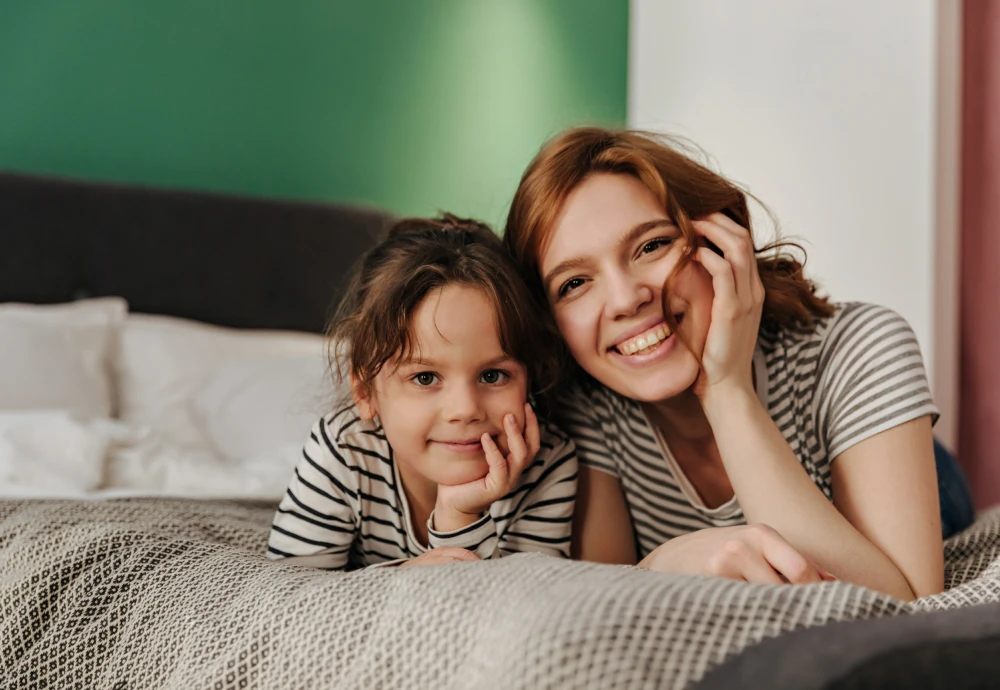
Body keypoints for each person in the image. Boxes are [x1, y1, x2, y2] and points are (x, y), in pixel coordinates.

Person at [503, 127, 974, 600]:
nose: (627, 299)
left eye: (651, 246)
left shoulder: (862, 346)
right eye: (574, 284)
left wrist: (725, 388)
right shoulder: (587, 409)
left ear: (722, 242)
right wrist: (665, 563)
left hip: (904, 463)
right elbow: (602, 597)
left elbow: (902, 602)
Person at [267, 215, 577, 570]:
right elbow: (290, 598)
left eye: (493, 375)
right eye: (426, 378)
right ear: (366, 392)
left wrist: (459, 514)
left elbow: (519, 611)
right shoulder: (346, 448)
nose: (464, 410)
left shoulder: (547, 465)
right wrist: (405, 576)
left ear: (530, 377)